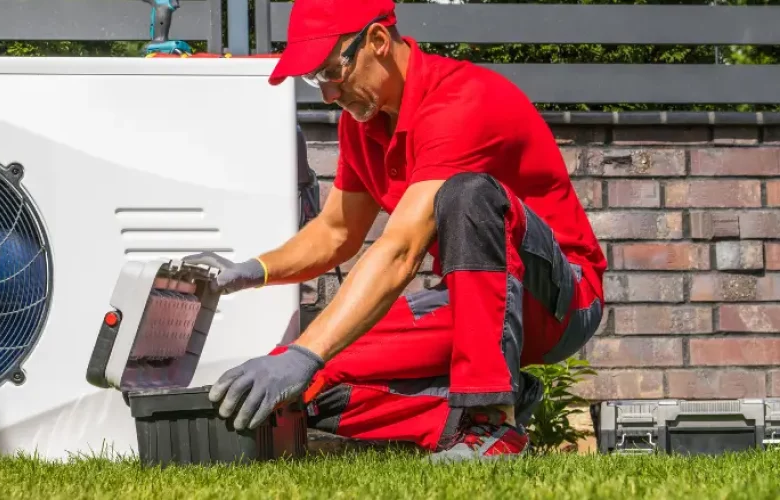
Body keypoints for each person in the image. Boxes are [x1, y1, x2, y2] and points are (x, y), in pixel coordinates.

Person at [181, 0, 606, 462]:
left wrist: (307, 352)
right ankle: (480, 409)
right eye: (314, 79)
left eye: (330, 72)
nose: (326, 94)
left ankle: (490, 422)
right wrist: (252, 271)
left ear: (378, 42)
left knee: (468, 195)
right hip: (473, 305)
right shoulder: (362, 123)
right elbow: (336, 232)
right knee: (307, 385)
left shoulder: (462, 101)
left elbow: (401, 250)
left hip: (560, 300)